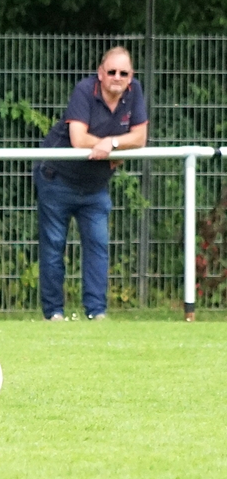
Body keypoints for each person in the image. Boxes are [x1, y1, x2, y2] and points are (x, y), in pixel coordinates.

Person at [35, 46, 148, 321]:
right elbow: (78, 139)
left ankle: (96, 313)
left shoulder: (134, 92)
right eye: (112, 72)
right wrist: (109, 148)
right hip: (57, 179)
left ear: (131, 76)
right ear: (101, 73)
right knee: (53, 247)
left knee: (98, 247)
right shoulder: (85, 90)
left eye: (124, 73)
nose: (117, 77)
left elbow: (140, 138)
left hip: (95, 187)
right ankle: (54, 313)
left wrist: (112, 144)